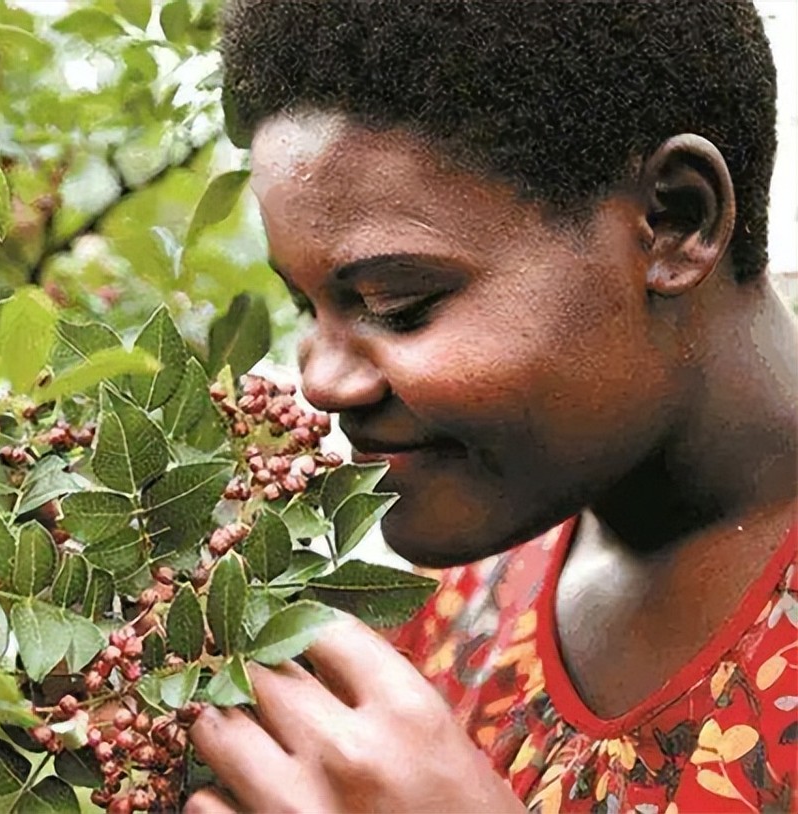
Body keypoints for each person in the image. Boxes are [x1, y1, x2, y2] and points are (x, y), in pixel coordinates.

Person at [185, 1, 798, 812]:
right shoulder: (448, 619)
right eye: (307, 306)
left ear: (674, 222)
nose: (322, 383)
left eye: (398, 302)